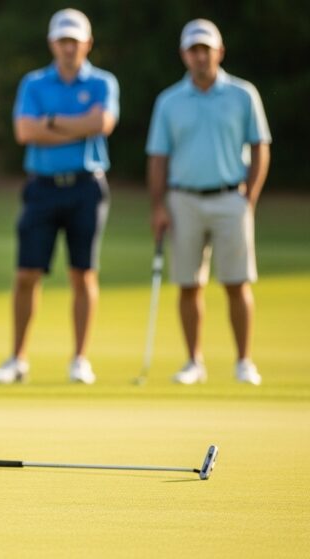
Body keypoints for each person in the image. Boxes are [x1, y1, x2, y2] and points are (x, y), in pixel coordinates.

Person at [0, 8, 119, 385]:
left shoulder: (103, 83)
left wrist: (51, 122)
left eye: (74, 41)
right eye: (62, 41)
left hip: (86, 187)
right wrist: (77, 126)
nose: (68, 48)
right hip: (42, 186)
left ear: (87, 44)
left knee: (83, 274)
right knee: (27, 273)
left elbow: (102, 124)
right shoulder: (33, 83)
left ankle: (79, 359)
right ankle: (17, 359)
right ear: (52, 44)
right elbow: (25, 132)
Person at [146, 19, 270, 385]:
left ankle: (244, 362)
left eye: (206, 49)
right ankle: (193, 362)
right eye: (193, 50)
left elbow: (261, 146)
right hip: (182, 199)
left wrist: (251, 197)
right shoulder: (169, 101)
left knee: (237, 282)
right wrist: (158, 206)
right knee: (188, 284)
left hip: (232, 197)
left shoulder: (243, 94)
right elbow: (157, 157)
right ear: (185, 54)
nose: (200, 56)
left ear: (219, 52)